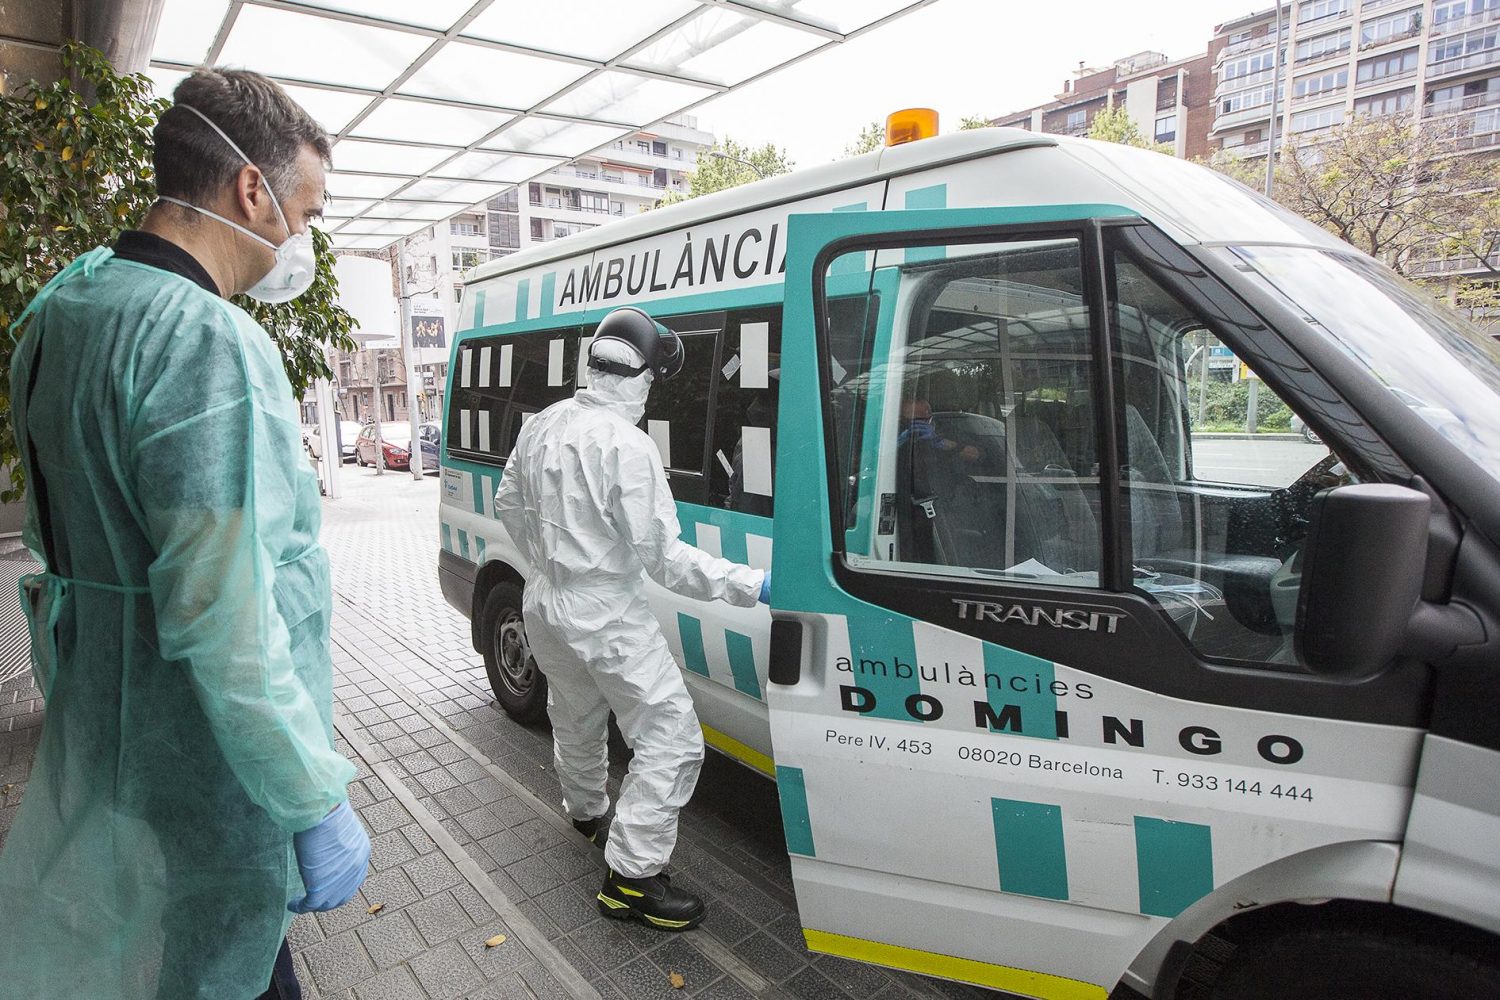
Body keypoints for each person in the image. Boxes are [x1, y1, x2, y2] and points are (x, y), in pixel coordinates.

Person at [0, 68, 369, 999]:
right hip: (208, 746)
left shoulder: (63, 311)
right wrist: (309, 792)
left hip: (113, 715)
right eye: (306, 211)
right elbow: (220, 612)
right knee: (222, 963)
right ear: (252, 187)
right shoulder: (207, 341)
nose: (301, 240)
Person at [494, 307, 770, 932]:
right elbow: (667, 560)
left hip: (545, 601)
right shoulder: (630, 446)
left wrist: (548, 563)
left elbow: (509, 502)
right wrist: (754, 583)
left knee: (576, 713)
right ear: (641, 376)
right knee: (671, 738)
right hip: (606, 614)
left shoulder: (544, 423)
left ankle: (588, 814)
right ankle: (632, 880)